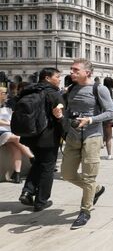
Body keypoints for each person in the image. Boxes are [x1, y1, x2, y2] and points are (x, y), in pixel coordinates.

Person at [61, 58, 113, 229]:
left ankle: (85, 211)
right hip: (73, 137)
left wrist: (90, 119)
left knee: (89, 175)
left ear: (87, 72)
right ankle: (96, 189)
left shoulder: (100, 89)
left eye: (76, 70)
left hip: (92, 136)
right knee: (67, 174)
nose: (71, 72)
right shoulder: (72, 89)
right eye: (71, 69)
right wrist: (62, 116)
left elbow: (110, 113)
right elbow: (69, 112)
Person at [18, 68, 65, 211]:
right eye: (57, 76)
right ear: (47, 78)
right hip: (48, 136)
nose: (59, 79)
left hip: (30, 135)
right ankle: (41, 200)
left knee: (38, 162)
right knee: (48, 168)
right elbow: (60, 117)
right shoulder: (53, 94)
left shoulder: (29, 90)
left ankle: (27, 192)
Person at [0, 87, 35, 184]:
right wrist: (9, 124)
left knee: (16, 148)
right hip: (2, 131)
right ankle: (33, 158)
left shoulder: (9, 104)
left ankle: (17, 174)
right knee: (17, 138)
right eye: (5, 92)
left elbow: (14, 116)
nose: (7, 94)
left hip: (8, 131)